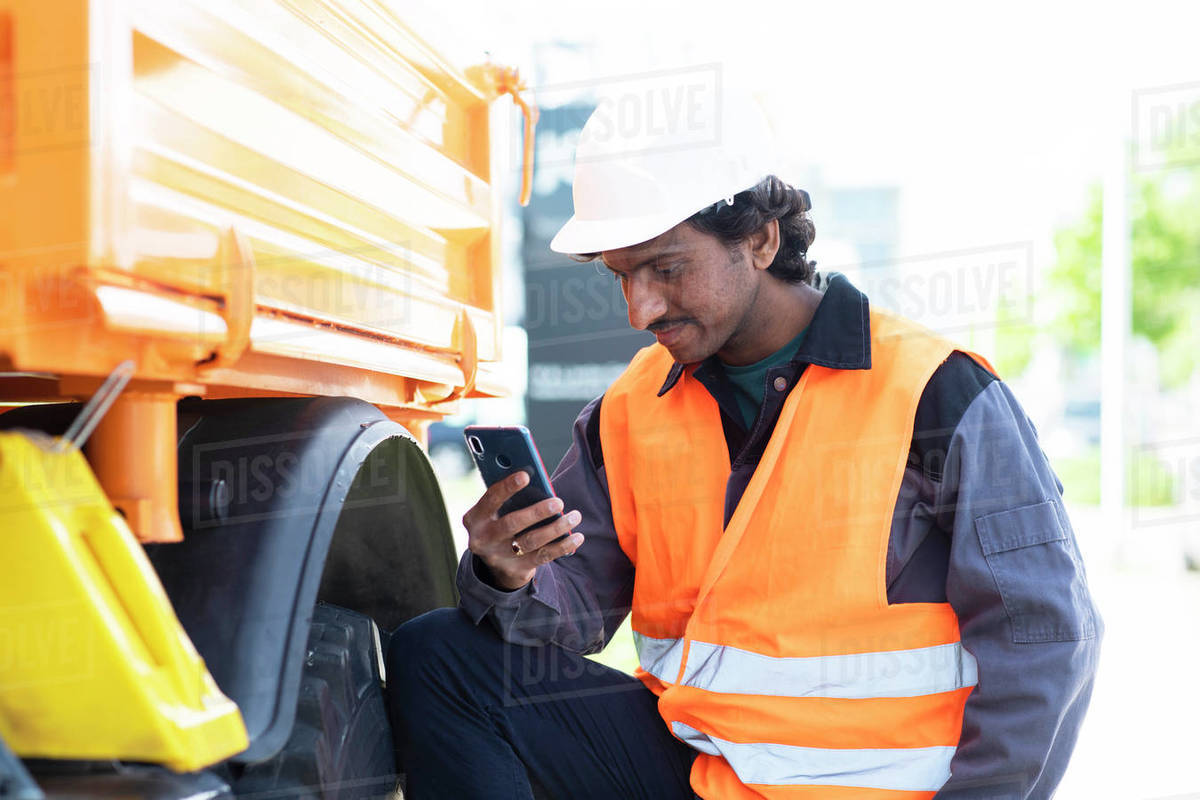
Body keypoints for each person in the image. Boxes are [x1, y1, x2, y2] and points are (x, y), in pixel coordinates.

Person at [386, 86, 1101, 800]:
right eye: (620, 276)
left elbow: (1043, 637)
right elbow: (571, 613)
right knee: (438, 654)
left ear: (760, 240)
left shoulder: (936, 393)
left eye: (665, 268)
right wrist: (509, 573)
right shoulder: (631, 407)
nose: (641, 309)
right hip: (698, 770)